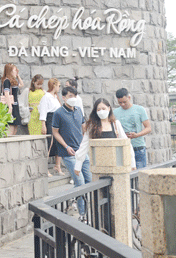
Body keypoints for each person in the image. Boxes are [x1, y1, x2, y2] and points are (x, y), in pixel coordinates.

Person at [52, 86, 90, 221]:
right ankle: (82, 214)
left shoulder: (79, 111)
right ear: (63, 97)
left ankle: (72, 199)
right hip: (69, 154)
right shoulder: (59, 113)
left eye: (74, 96)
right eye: (69, 96)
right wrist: (66, 146)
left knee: (89, 181)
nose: (72, 99)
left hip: (82, 152)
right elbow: (55, 132)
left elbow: (83, 128)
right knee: (80, 182)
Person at [75, 98, 136, 173]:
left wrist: (132, 164)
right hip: (98, 165)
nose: (101, 111)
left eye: (103, 108)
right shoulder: (92, 126)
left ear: (109, 108)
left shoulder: (115, 124)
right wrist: (78, 165)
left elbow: (127, 144)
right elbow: (84, 145)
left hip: (115, 165)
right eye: (99, 110)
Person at [113, 88, 151, 169]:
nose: (122, 104)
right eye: (120, 102)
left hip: (138, 148)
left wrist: (137, 135)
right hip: (123, 148)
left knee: (139, 175)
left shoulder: (140, 109)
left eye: (124, 102)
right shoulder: (115, 112)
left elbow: (148, 128)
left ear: (129, 98)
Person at [38, 78, 62, 176]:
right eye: (58, 85)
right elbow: (43, 111)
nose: (59, 88)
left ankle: (57, 165)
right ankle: (45, 168)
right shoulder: (46, 97)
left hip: (57, 120)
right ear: (54, 85)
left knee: (58, 143)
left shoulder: (56, 97)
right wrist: (43, 125)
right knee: (49, 143)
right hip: (50, 119)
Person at [1, 63, 23, 136]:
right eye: (14, 70)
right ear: (10, 71)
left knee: (15, 126)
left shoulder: (13, 81)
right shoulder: (6, 81)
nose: (15, 71)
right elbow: (6, 93)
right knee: (11, 126)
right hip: (11, 106)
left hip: (15, 105)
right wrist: (10, 107)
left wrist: (18, 75)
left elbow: (21, 85)